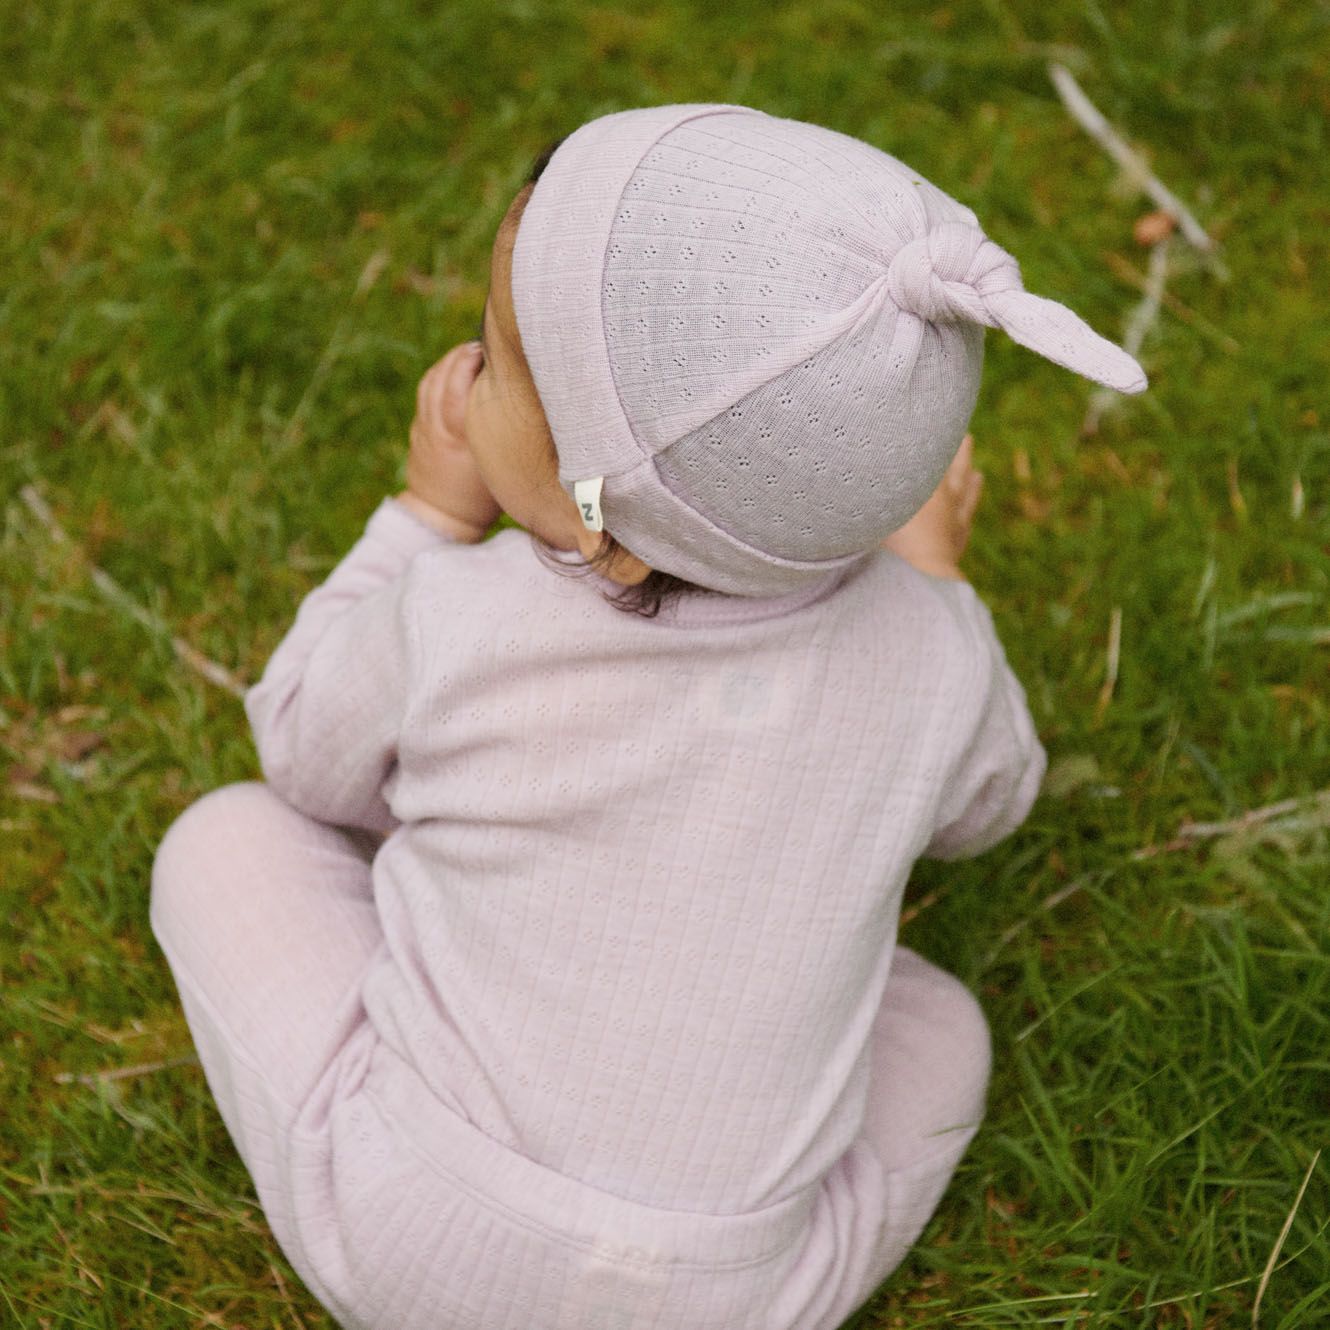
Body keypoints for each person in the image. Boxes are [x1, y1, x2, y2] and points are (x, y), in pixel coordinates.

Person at [150, 103, 1146, 1330]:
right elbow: (989, 806)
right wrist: (937, 583)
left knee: (227, 836)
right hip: (739, 1289)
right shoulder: (930, 654)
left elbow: (303, 748)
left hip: (419, 1232)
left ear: (594, 525)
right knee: (942, 1026)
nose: (468, 377)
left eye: (501, 365)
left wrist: (420, 514)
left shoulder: (461, 616)